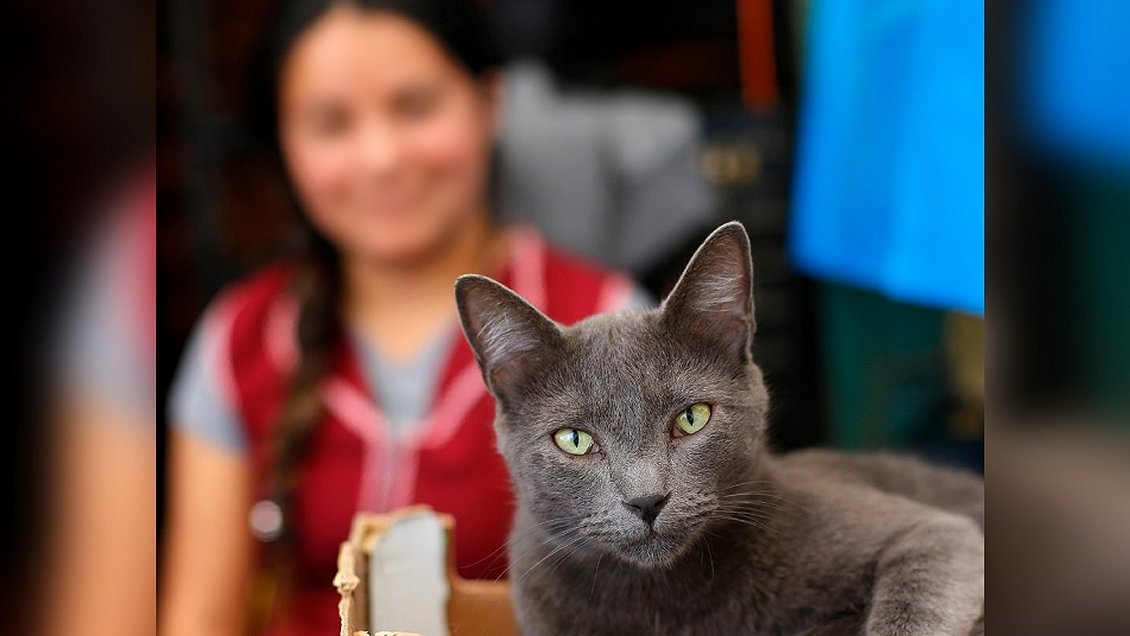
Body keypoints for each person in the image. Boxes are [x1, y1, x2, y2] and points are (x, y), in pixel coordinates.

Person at [160, 1, 649, 634]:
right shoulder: (237, 340)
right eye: (331, 123)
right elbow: (198, 616)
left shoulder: (612, 322)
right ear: (283, 140)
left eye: (414, 107)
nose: (381, 158)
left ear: (489, 100)